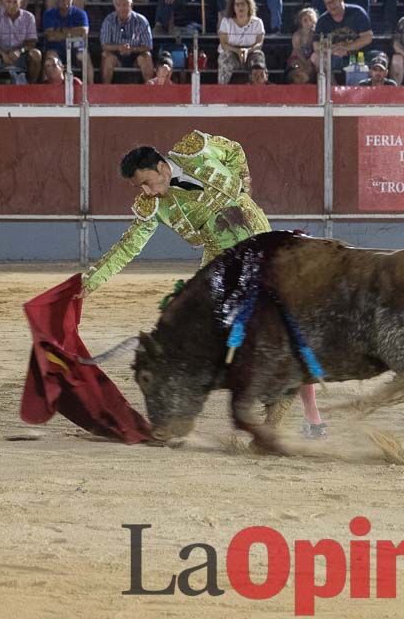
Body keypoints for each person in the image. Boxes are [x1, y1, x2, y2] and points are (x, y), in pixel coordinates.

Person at [82, 133, 329, 440]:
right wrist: (90, 281)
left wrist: (243, 180)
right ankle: (185, 407)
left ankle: (311, 415)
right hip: (220, 260)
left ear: (161, 167)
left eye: (148, 182)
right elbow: (128, 246)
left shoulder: (195, 148)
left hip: (259, 240)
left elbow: (234, 150)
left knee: (285, 323)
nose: (147, 191)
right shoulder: (151, 204)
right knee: (197, 328)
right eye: (140, 187)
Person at [0, 0, 41, 81]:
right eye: (8, 1)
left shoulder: (29, 17)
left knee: (36, 54)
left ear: (21, 2)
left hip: (22, 54)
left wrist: (19, 51)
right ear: (3, 1)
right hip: (0, 55)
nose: (11, 5)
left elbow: (32, 41)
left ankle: (31, 85)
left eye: (15, 2)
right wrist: (2, 53)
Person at [315, 0, 373, 77]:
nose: (330, 6)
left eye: (333, 2)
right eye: (327, 4)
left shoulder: (357, 13)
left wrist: (346, 48)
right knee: (315, 57)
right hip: (334, 56)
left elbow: (367, 37)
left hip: (358, 55)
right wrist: (332, 50)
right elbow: (316, 45)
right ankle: (332, 88)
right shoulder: (323, 20)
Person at [100, 0, 155, 83]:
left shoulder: (141, 21)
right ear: (114, 6)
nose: (122, 8)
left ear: (131, 5)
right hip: (116, 56)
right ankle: (105, 90)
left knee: (147, 56)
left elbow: (148, 45)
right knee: (106, 56)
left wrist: (132, 49)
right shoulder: (109, 20)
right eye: (118, 5)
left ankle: (151, 92)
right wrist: (119, 47)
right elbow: (104, 45)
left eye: (125, 4)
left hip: (136, 56)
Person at [217, 0, 267, 84]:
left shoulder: (257, 22)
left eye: (243, 4)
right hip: (232, 53)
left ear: (249, 6)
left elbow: (259, 44)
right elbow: (224, 45)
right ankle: (222, 90)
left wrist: (247, 51)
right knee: (225, 58)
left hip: (251, 53)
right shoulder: (226, 22)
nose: (240, 7)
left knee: (259, 56)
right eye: (237, 4)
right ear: (233, 7)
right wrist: (238, 51)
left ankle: (259, 88)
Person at [41, 0, 90, 66]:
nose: (61, 0)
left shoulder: (80, 14)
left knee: (84, 57)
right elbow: (50, 36)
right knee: (50, 58)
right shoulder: (49, 14)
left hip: (76, 46)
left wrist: (60, 31)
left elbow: (83, 33)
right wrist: (72, 32)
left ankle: (89, 79)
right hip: (55, 48)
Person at [286, 7, 319, 84]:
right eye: (305, 20)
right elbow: (297, 51)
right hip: (297, 58)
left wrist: (308, 62)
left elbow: (316, 49)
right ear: (301, 21)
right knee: (297, 66)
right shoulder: (297, 35)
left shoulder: (314, 35)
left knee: (312, 68)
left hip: (310, 58)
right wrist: (304, 62)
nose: (308, 22)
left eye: (310, 20)